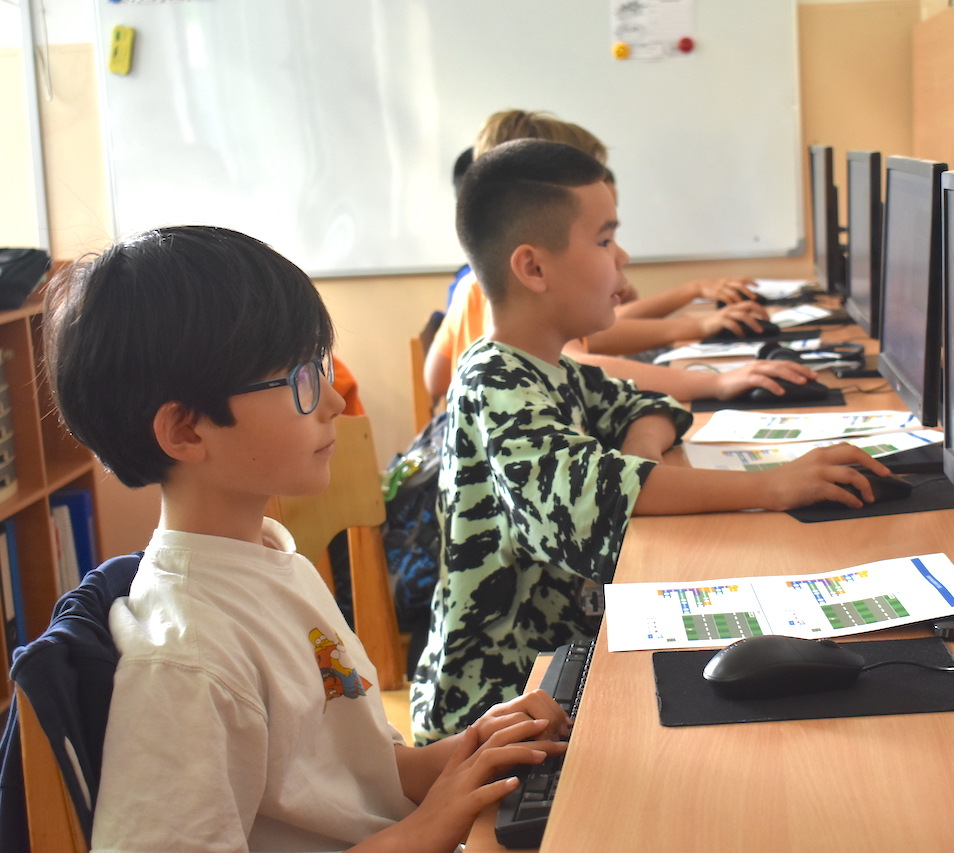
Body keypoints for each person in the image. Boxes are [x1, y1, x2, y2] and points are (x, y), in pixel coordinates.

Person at [42, 226, 569, 853]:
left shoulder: (269, 557)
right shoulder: (185, 662)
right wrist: (429, 828)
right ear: (185, 431)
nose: (332, 403)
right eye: (298, 379)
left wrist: (464, 753)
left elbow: (351, 777)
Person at [410, 140, 892, 744]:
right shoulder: (494, 382)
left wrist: (632, 463)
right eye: (605, 240)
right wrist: (771, 486)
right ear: (533, 268)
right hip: (496, 705)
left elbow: (651, 406)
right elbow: (594, 501)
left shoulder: (550, 367)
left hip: (562, 666)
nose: (624, 257)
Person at [422, 109, 813, 406]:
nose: (620, 253)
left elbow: (435, 380)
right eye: (603, 239)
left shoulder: (480, 288)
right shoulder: (509, 370)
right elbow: (585, 367)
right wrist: (712, 376)